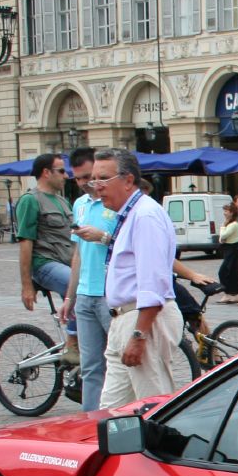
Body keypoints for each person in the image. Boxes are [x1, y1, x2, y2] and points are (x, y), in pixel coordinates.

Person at [92, 149, 183, 409]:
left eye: (103, 179)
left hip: (142, 319)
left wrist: (139, 335)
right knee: (112, 412)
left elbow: (152, 282)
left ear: (128, 180)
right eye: (94, 180)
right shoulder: (131, 214)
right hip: (126, 319)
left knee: (153, 408)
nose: (97, 187)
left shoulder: (145, 216)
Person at [60, 147, 117, 412]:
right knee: (91, 365)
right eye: (78, 179)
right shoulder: (80, 205)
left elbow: (130, 247)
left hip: (111, 293)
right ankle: (92, 422)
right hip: (85, 294)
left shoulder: (115, 205)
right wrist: (70, 296)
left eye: (87, 177)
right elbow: (77, 254)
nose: (83, 184)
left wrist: (103, 237)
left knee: (118, 361)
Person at [14, 153, 80, 366]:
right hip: (45, 264)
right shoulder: (30, 200)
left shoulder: (62, 201)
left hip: (66, 261)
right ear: (45, 173)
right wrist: (26, 285)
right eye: (61, 171)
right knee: (77, 287)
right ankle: (72, 343)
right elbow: (25, 243)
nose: (66, 175)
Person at [216, 202, 238, 303]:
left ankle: (230, 293)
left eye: (226, 211)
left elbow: (223, 236)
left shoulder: (234, 224)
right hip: (228, 248)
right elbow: (221, 238)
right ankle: (232, 293)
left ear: (232, 213)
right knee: (230, 272)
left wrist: (222, 227)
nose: (224, 213)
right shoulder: (229, 224)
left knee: (225, 271)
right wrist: (222, 234)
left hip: (232, 248)